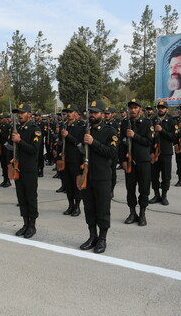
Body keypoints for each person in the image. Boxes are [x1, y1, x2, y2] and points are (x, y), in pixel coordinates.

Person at [79, 100, 117, 254]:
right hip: (87, 175)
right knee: (89, 208)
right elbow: (80, 152)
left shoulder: (110, 131)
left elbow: (113, 153)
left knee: (102, 209)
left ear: (102, 113)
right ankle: (92, 236)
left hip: (102, 176)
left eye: (95, 112)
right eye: (90, 112)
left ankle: (102, 239)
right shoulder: (86, 129)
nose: (92, 115)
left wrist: (94, 143)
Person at [119, 99, 154, 226]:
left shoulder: (147, 122)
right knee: (130, 189)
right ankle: (132, 213)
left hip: (143, 161)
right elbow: (120, 144)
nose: (132, 110)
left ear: (140, 109)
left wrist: (134, 135)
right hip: (129, 162)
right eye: (130, 108)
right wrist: (122, 160)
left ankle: (142, 213)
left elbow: (149, 141)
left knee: (144, 189)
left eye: (135, 107)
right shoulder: (124, 123)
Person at [11, 103, 41, 239]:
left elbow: (34, 150)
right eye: (18, 113)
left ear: (29, 114)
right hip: (19, 168)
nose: (19, 115)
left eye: (22, 112)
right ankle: (25, 223)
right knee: (21, 198)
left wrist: (19, 140)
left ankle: (32, 225)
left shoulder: (35, 129)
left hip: (29, 169)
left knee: (30, 197)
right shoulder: (19, 129)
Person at [148, 101, 177, 205]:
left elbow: (174, 138)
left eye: (163, 108)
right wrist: (150, 152)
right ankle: (156, 195)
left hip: (166, 152)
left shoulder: (172, 121)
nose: (160, 109)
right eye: (159, 107)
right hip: (154, 153)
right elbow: (149, 137)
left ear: (167, 110)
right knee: (154, 175)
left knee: (166, 175)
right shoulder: (152, 120)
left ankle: (164, 196)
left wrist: (162, 130)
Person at [59, 104, 84, 217]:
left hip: (76, 159)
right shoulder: (63, 126)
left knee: (76, 184)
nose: (68, 114)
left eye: (70, 112)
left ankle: (77, 206)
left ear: (75, 113)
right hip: (65, 158)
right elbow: (60, 142)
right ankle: (70, 205)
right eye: (67, 112)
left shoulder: (80, 126)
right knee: (68, 184)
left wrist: (68, 136)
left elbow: (79, 143)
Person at [104, 107, 119, 198]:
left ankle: (111, 190)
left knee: (112, 172)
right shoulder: (101, 124)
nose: (106, 115)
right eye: (105, 113)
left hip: (113, 151)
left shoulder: (115, 124)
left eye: (108, 114)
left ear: (112, 115)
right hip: (103, 151)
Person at [0, 112, 12, 188]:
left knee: (7, 165)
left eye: (2, 118)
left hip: (7, 148)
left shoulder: (9, 126)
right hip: (1, 148)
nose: (0, 120)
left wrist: (1, 132)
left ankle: (8, 180)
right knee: (3, 165)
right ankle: (4, 179)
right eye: (0, 118)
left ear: (6, 118)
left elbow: (8, 137)